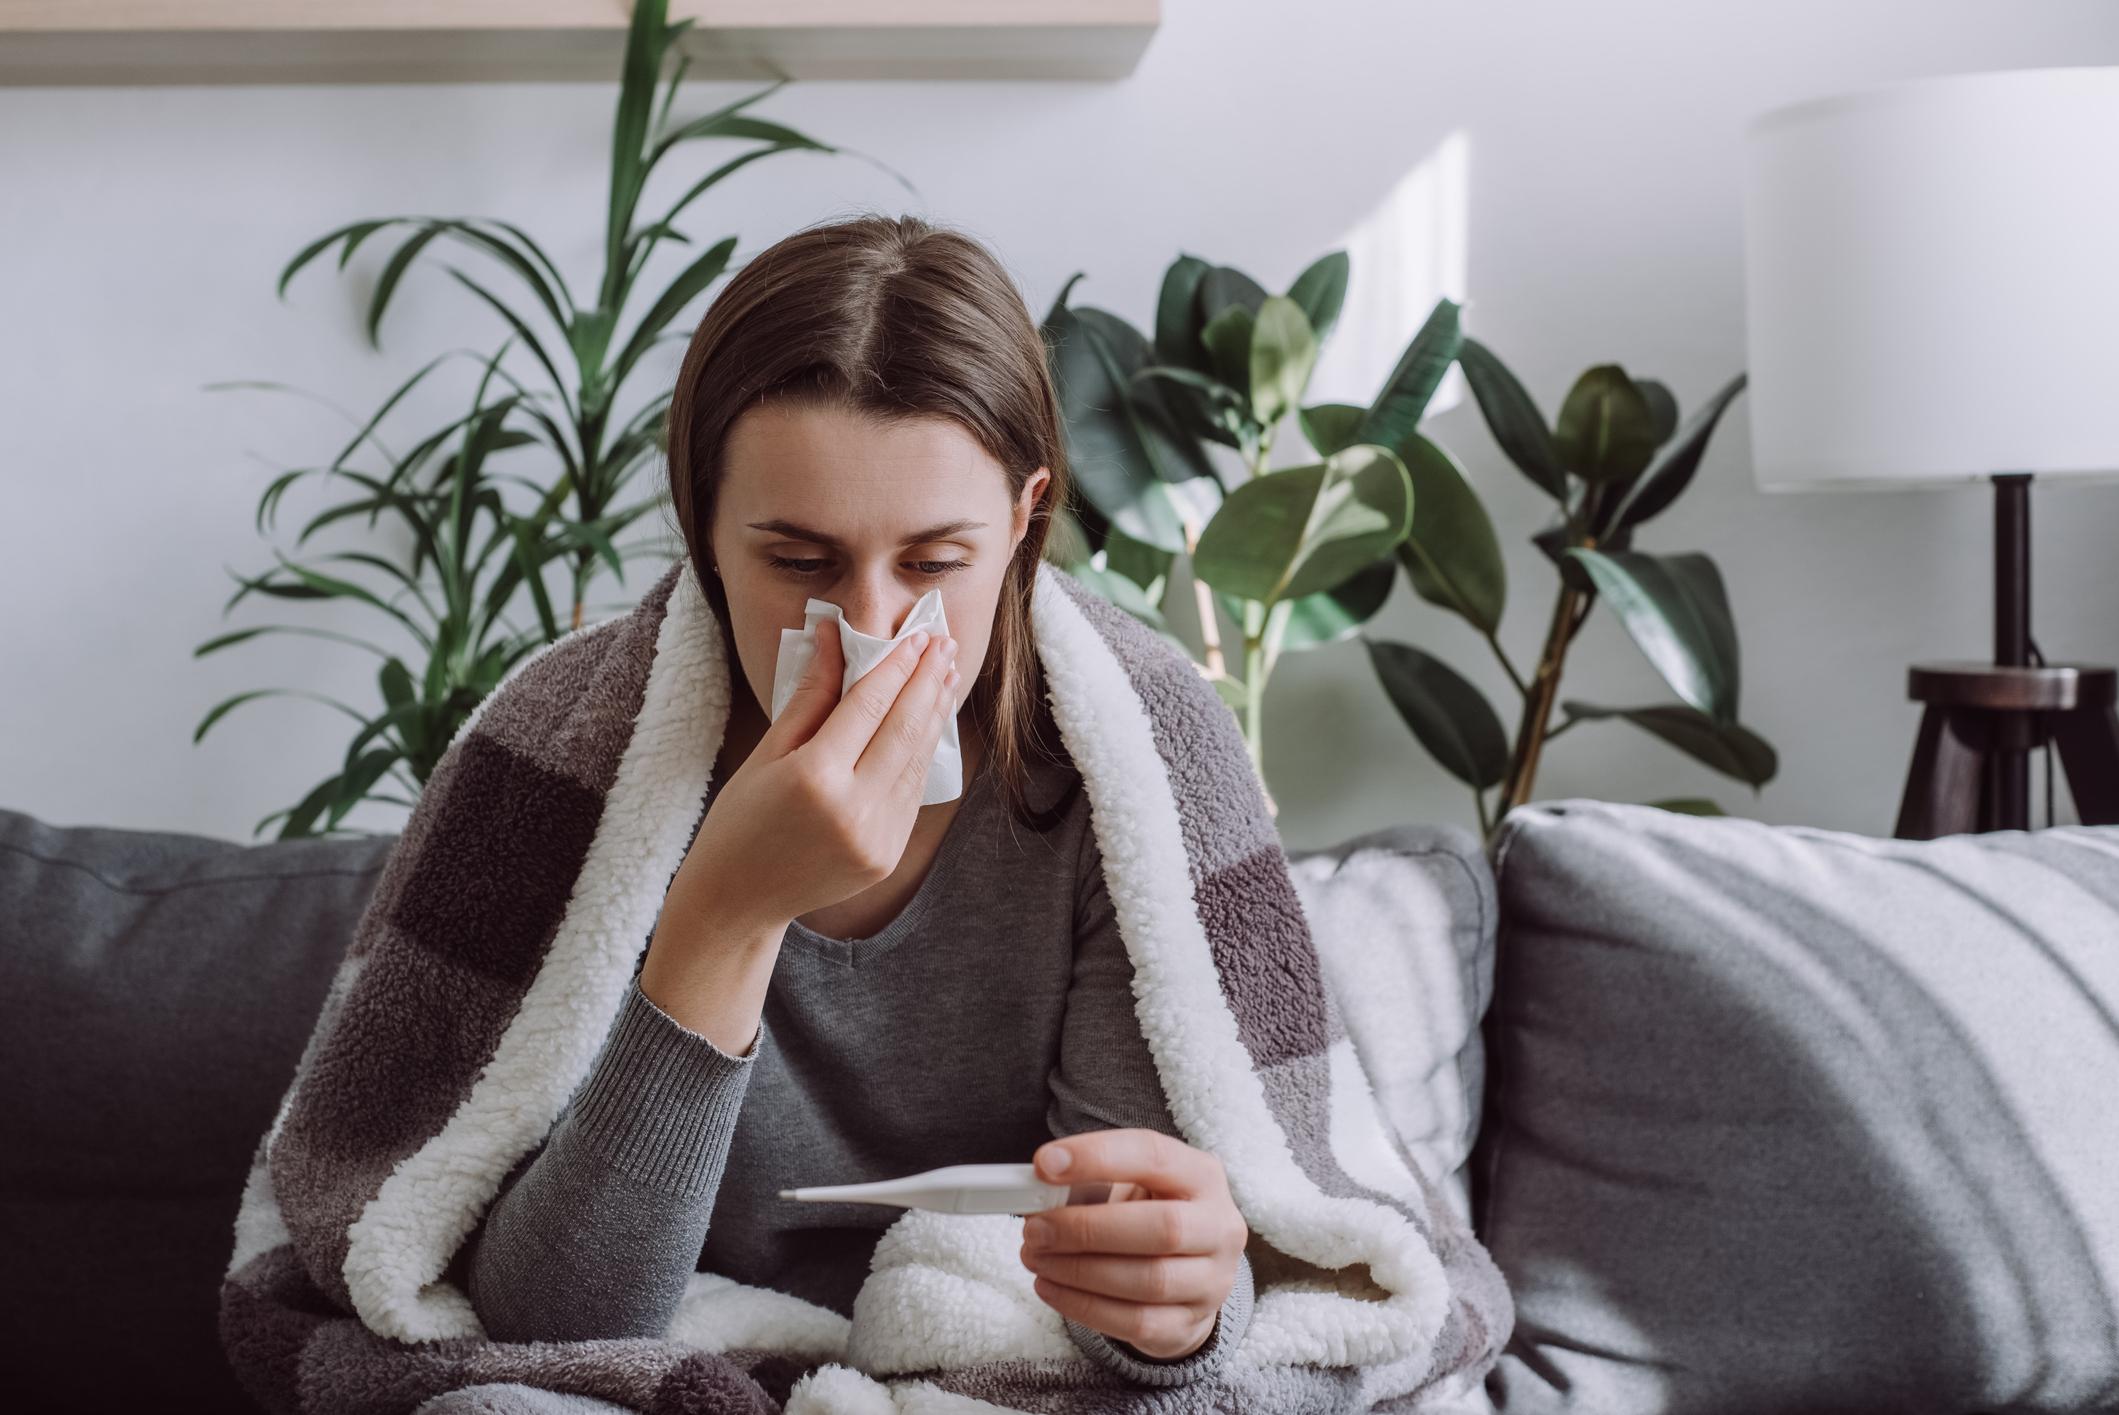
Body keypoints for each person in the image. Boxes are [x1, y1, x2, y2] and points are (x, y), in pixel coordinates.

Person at [438, 212, 1255, 1411]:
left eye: (933, 564)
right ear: (705, 529)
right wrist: (726, 913)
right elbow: (548, 1326)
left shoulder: (1135, 760)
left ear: (1023, 520)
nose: (872, 630)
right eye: (800, 562)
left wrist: (1179, 1308)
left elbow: (1186, 1267)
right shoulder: (555, 755)